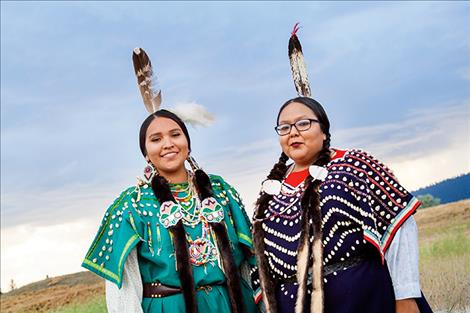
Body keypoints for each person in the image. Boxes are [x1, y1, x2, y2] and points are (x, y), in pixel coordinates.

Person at [251, 25, 433, 313]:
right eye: (284, 127)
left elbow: (399, 226)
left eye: (303, 123)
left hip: (360, 297)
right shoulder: (270, 191)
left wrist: (405, 295)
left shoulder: (353, 164)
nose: (293, 132)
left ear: (324, 130)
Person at [82, 48, 257, 313]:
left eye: (175, 134)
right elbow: (124, 287)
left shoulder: (221, 191)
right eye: (155, 139)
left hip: (231, 303)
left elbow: (246, 263)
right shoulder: (131, 204)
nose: (168, 144)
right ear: (146, 153)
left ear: (187, 141)